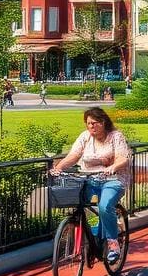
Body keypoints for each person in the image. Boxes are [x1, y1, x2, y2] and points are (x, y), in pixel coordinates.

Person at [51, 107, 132, 263]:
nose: (91, 127)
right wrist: (58, 168)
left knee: (104, 206)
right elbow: (74, 155)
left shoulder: (116, 137)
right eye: (88, 124)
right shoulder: (85, 137)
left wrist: (113, 167)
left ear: (103, 122)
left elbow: (123, 158)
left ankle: (113, 243)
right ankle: (90, 238)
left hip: (113, 180)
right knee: (77, 202)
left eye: (94, 123)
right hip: (89, 178)